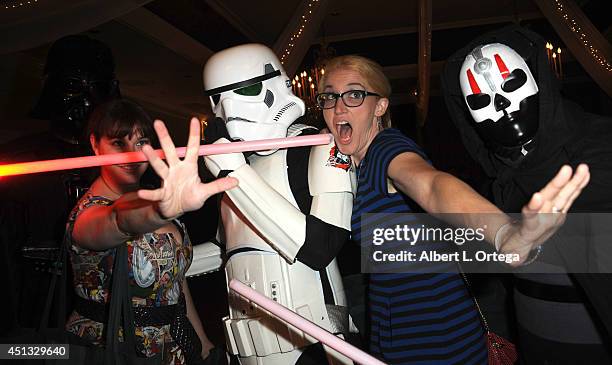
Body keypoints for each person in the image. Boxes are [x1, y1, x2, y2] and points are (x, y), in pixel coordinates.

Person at [316, 54, 590, 364]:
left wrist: (504, 234)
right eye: (329, 96)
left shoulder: (385, 149)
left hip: (437, 339)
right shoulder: (351, 167)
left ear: (380, 106)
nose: (338, 106)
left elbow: (431, 185)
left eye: (354, 94)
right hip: (396, 334)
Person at [441, 25, 612, 364]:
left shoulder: (597, 148)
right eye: (480, 100)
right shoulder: (500, 181)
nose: (502, 102)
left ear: (538, 80)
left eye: (511, 84)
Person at [193, 43, 355, 365]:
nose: (228, 111)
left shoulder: (322, 149)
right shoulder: (237, 165)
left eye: (245, 91)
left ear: (276, 86)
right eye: (217, 100)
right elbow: (229, 250)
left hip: (315, 344)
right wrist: (158, 252)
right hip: (246, 348)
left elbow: (320, 247)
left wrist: (233, 171)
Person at [64, 99, 237, 364]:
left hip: (174, 349)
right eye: (119, 143)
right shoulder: (88, 214)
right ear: (95, 144)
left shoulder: (149, 198)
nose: (133, 155)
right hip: (112, 352)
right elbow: (117, 220)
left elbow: (175, 284)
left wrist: (204, 346)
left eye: (141, 143)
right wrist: (159, 212)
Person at [0, 34, 121, 331]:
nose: (89, 101)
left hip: (108, 311)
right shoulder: (17, 159)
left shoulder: (124, 160)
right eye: (73, 87)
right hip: (37, 309)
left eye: (98, 88)